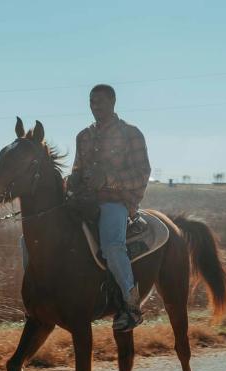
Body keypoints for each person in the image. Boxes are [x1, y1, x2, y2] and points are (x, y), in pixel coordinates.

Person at [70, 84, 151, 331]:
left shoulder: (131, 134)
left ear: (113, 102)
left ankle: (131, 306)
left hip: (116, 202)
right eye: (91, 101)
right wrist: (71, 181)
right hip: (84, 201)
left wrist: (109, 179)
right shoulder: (83, 136)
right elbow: (76, 170)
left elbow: (142, 174)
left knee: (112, 246)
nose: (95, 106)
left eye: (100, 102)